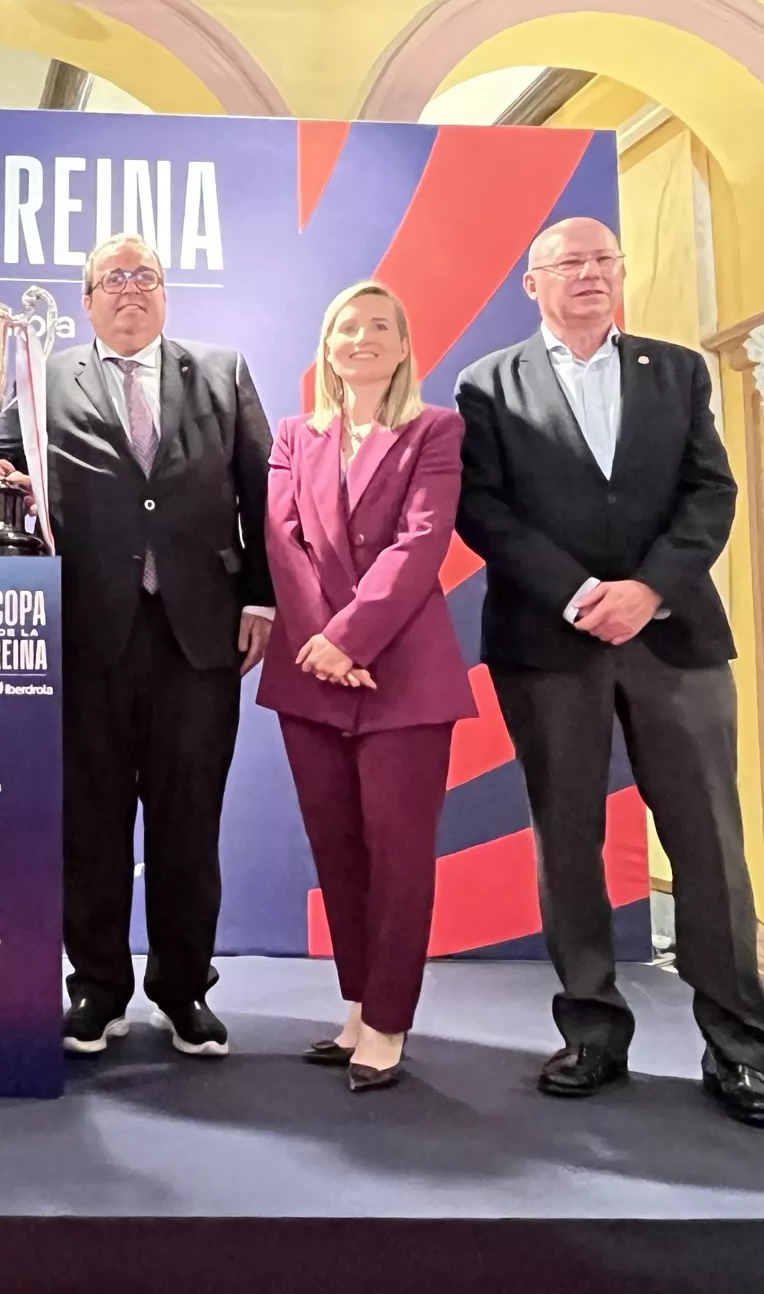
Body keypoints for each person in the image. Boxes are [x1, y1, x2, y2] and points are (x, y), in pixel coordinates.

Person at [454, 216, 764, 1129]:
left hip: (672, 638)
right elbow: (481, 508)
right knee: (568, 842)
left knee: (710, 848)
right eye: (570, 263)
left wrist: (648, 589)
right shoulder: (488, 384)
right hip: (550, 643)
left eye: (604, 261)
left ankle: (741, 1051)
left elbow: (709, 492)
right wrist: (576, 594)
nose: (590, 275)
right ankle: (594, 1033)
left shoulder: (676, 371)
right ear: (534, 283)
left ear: (622, 274)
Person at [0, 233, 274, 1060]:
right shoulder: (44, 382)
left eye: (143, 275)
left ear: (164, 292)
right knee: (91, 826)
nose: (129, 290)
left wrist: (262, 596)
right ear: (87, 301)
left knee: (190, 824)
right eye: (111, 279)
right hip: (86, 637)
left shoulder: (219, 372)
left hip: (201, 638)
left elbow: (261, 489)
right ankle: (99, 989)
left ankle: (184, 992)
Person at [256, 282, 475, 1093]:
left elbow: (423, 544)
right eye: (348, 326)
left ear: (403, 341)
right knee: (338, 848)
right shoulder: (291, 436)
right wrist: (320, 645)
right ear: (327, 343)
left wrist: (346, 639)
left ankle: (388, 1020)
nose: (362, 338)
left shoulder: (435, 430)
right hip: (311, 677)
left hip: (402, 677)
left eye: (380, 325)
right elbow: (283, 543)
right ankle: (357, 1006)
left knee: (399, 853)